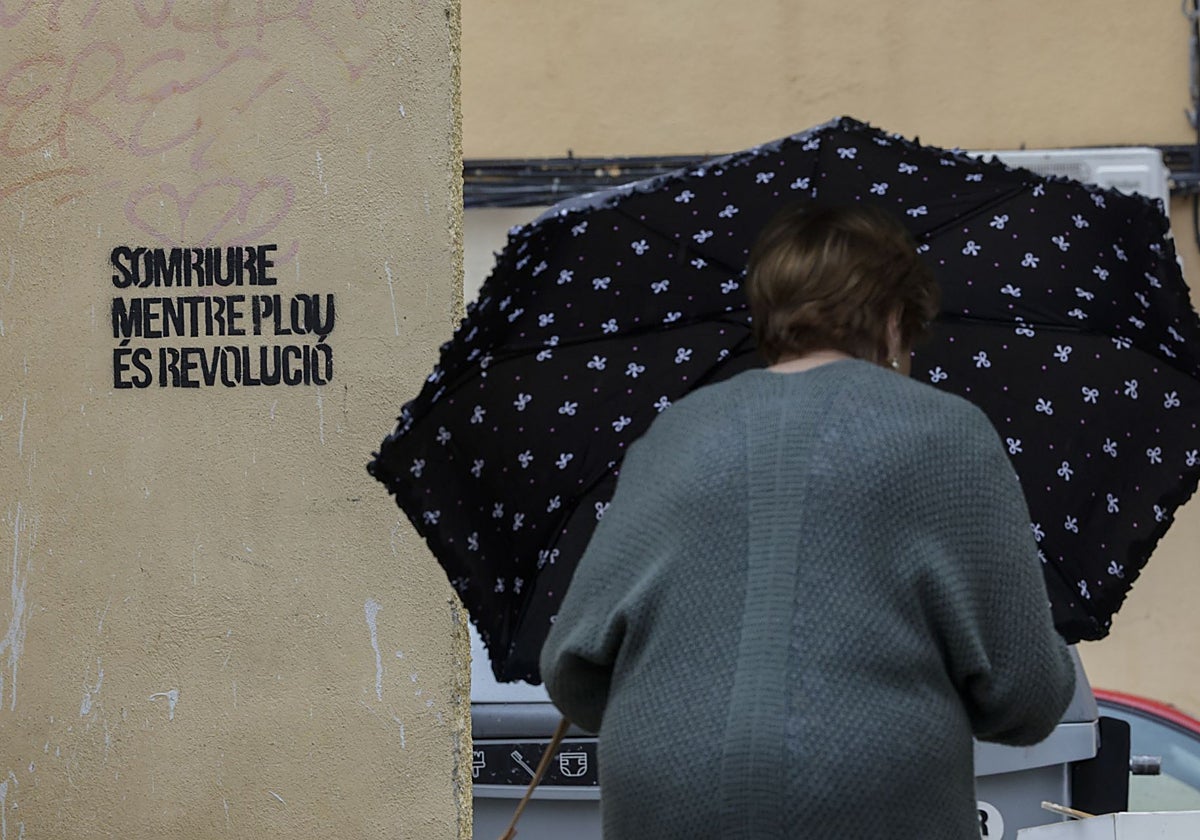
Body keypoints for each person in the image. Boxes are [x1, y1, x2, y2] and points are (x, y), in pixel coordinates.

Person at [538, 203, 1077, 839]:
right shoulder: (947, 432)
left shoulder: (673, 434)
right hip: (873, 801)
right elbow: (1027, 697)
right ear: (894, 318)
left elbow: (569, 668)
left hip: (664, 801)